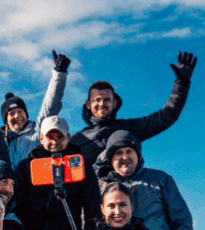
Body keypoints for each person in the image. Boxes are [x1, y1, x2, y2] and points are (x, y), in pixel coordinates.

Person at [60, 51, 197, 166]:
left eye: (107, 100)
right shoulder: (76, 139)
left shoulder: (130, 128)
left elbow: (166, 116)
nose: (101, 104)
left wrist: (182, 83)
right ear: (88, 104)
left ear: (114, 103)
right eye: (97, 100)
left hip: (124, 192)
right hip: (90, 196)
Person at [94, 130, 195, 230]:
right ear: (109, 158)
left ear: (139, 155)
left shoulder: (160, 180)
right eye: (118, 153)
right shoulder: (101, 188)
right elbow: (90, 226)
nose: (125, 157)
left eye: (129, 151)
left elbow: (181, 220)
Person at [2, 50, 72, 169]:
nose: (17, 116)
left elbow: (50, 105)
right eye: (12, 113)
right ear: (5, 120)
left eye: (20, 112)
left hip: (32, 184)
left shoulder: (37, 131)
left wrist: (59, 74)